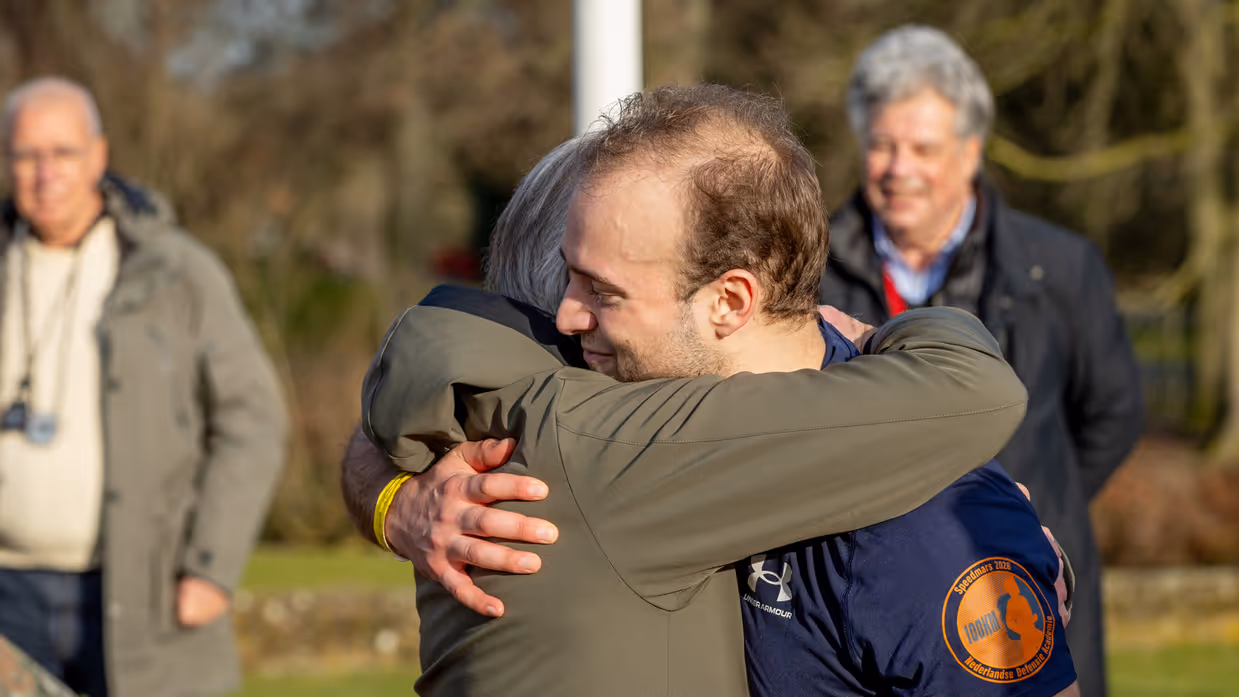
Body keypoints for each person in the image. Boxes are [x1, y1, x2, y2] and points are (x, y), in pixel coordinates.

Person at [348, 84, 1075, 696]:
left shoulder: (922, 519)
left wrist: (388, 495)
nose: (569, 315)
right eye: (567, 280)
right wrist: (392, 501)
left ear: (729, 301)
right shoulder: (605, 433)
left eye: (602, 290)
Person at [818, 26, 1144, 696]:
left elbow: (1111, 411)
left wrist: (1022, 508)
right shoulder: (806, 267)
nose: (896, 167)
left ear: (970, 152)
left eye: (922, 148)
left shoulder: (1058, 267)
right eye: (881, 144)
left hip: (1032, 590)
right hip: (868, 597)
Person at [0, 77, 287, 697]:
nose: (45, 173)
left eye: (63, 153)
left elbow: (252, 419)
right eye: (26, 155)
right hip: (7, 594)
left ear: (98, 157)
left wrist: (211, 567)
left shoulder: (177, 272)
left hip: (142, 591)